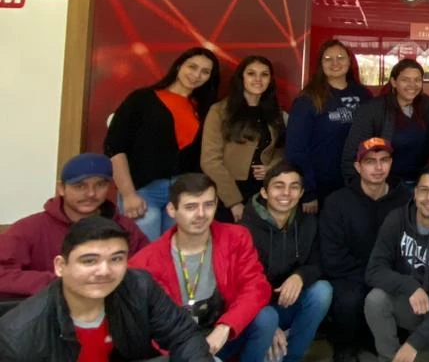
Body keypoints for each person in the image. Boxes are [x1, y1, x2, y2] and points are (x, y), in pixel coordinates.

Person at [0, 216, 211, 361]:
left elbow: (184, 335)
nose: (104, 271)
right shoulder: (18, 334)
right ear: (60, 266)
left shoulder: (139, 286)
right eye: (89, 261)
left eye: (116, 259)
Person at [131, 173, 275, 361]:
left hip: (223, 334)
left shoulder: (236, 237)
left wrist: (226, 327)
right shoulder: (144, 262)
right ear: (172, 210)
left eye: (208, 205)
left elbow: (256, 287)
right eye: (191, 207)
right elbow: (152, 327)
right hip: (178, 348)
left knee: (267, 317)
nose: (201, 214)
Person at [106, 47, 220, 240]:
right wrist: (128, 194)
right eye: (192, 67)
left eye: (205, 71)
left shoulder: (205, 110)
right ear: (179, 66)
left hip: (183, 195)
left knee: (174, 254)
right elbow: (115, 147)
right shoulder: (142, 99)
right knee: (143, 253)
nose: (196, 75)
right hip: (143, 192)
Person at [0, 153, 148, 297]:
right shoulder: (29, 228)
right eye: (80, 186)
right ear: (61, 188)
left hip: (111, 307)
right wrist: (63, 283)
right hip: (49, 308)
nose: (91, 193)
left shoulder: (125, 227)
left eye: (100, 185)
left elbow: (147, 270)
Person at [319, 137, 413, 362]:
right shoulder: (337, 202)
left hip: (391, 275)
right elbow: (333, 258)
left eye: (384, 160)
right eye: (370, 161)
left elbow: (412, 247)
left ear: (391, 163)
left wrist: (389, 278)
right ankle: (345, 347)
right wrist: (373, 277)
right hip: (351, 276)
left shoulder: (406, 200)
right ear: (357, 166)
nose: (378, 167)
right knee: (349, 298)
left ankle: (383, 342)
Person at [365, 164, 429, 362]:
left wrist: (414, 343)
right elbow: (374, 270)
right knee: (375, 300)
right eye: (424, 190)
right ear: (415, 192)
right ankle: (389, 357)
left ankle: (422, 351)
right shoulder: (397, 219)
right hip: (408, 302)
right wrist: (410, 286)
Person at [240, 162, 333, 362]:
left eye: (294, 187)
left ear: (301, 193)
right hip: (255, 312)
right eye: (279, 186)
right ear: (264, 192)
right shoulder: (244, 229)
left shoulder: (308, 222)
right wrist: (270, 326)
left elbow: (319, 263)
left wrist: (300, 276)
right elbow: (240, 284)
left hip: (286, 303)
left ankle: (292, 357)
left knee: (322, 291)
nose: (286, 193)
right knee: (266, 321)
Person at [285, 39, 371, 214]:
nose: (335, 63)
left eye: (340, 57)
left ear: (350, 61)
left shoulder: (364, 95)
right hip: (321, 188)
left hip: (358, 184)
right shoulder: (308, 99)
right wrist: (308, 191)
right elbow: (295, 150)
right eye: (328, 58)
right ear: (320, 64)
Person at [202, 55, 284, 222]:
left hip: (263, 192)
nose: (258, 79)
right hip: (228, 192)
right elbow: (210, 161)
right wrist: (234, 202)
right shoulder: (219, 111)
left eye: (264, 74)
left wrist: (272, 167)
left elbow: (282, 149)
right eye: (251, 73)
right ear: (241, 78)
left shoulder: (275, 112)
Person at [341, 58, 429, 188]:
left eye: (417, 80)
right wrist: (358, 189)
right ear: (393, 82)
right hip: (383, 186)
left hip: (419, 184)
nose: (412, 85)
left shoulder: (428, 105)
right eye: (405, 80)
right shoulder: (373, 109)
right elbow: (352, 154)